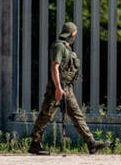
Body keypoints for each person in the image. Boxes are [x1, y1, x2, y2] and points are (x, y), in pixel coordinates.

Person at [28, 22, 110, 156]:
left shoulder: (67, 47)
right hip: (57, 88)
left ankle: (91, 143)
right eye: (75, 33)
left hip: (67, 88)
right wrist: (58, 89)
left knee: (77, 115)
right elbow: (54, 66)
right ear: (72, 33)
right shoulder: (59, 46)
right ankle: (35, 144)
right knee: (46, 115)